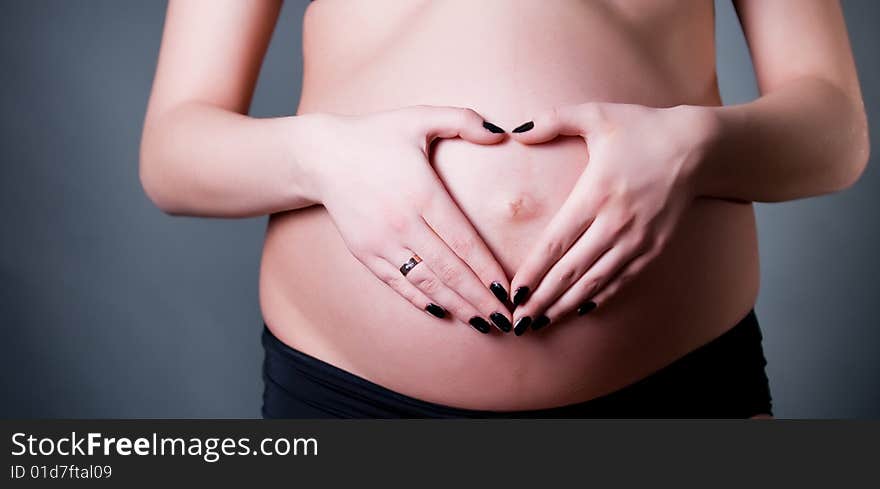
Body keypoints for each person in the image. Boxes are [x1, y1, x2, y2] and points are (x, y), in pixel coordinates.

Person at [139, 0, 869, 418]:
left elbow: (836, 133)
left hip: (681, 389)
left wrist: (694, 143)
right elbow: (173, 152)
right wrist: (324, 158)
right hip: (353, 402)